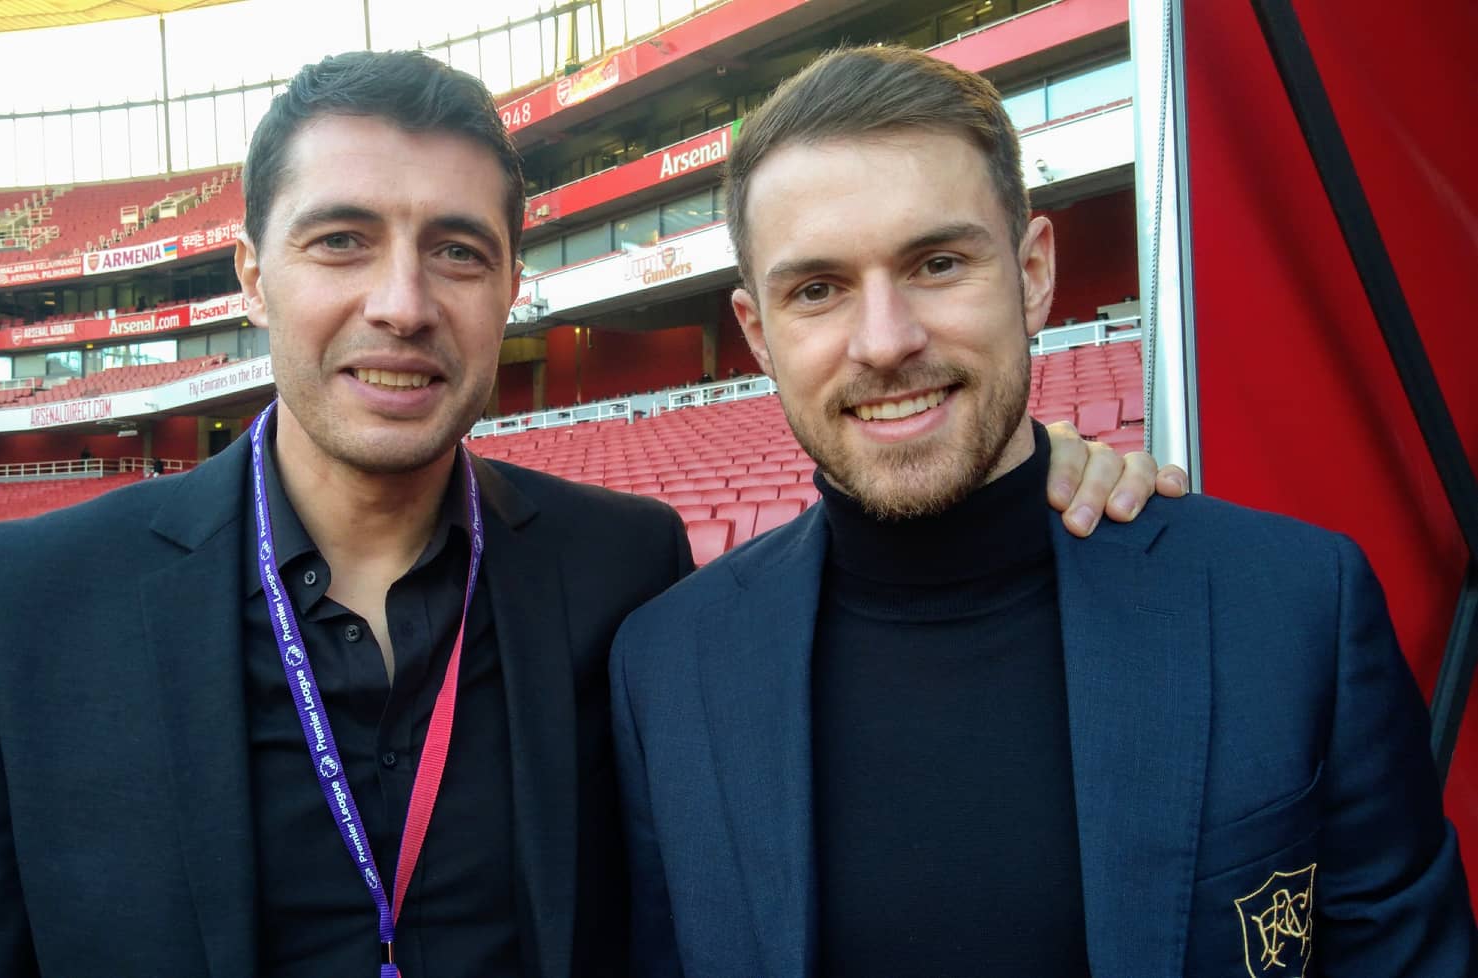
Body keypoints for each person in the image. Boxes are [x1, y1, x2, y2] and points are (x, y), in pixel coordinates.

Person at [0, 51, 1175, 978]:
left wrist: (1035, 465)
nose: (403, 302)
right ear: (252, 279)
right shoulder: (30, 608)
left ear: (509, 286)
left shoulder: (626, 569)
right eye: (340, 241)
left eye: (456, 250)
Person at [609, 44, 1476, 978]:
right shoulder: (666, 666)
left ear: (1031, 275)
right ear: (757, 333)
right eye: (816, 290)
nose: (885, 341)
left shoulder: (1295, 603)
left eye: (937, 263)